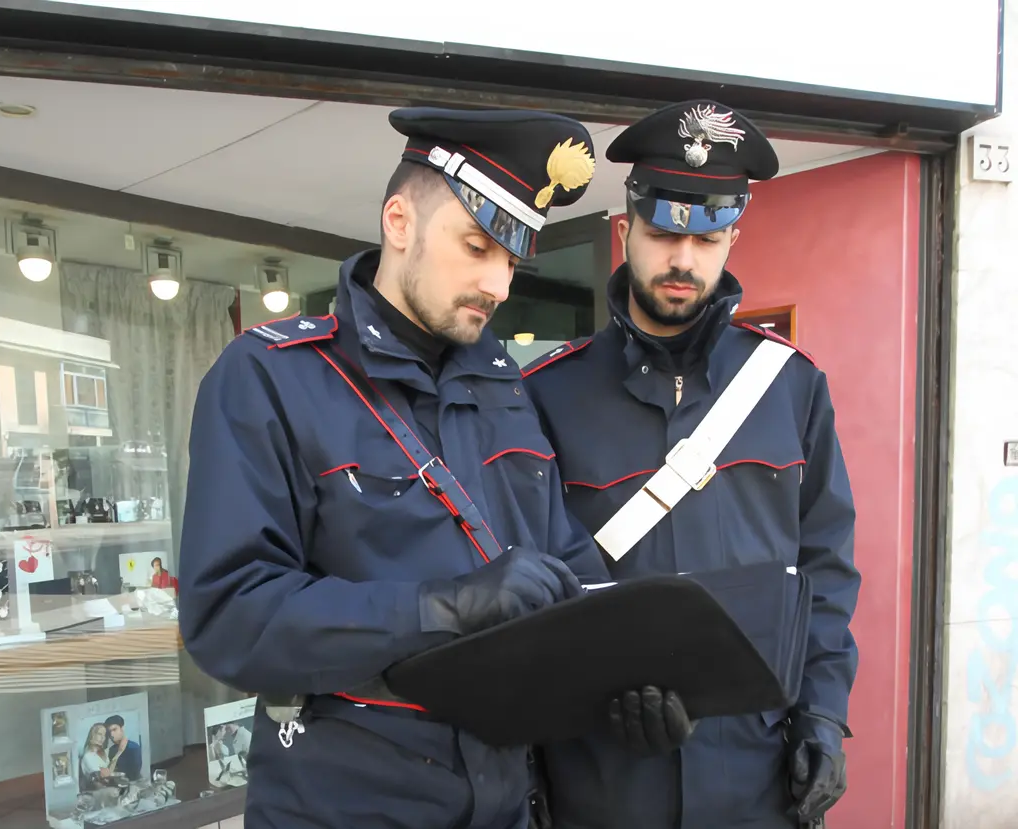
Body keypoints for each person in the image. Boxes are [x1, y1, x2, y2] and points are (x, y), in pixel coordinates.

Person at [178, 106, 611, 829]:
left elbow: (561, 561)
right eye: (477, 246)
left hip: (508, 800)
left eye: (511, 260)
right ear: (399, 221)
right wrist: (439, 607)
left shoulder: (505, 386)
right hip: (345, 803)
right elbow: (230, 615)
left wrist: (626, 667)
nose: (499, 285)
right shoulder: (271, 377)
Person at [522, 100, 861, 828]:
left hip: (758, 779)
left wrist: (824, 716)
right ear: (624, 231)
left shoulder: (791, 387)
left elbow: (826, 572)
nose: (683, 259)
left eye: (707, 237)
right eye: (662, 232)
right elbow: (527, 592)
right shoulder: (545, 394)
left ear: (733, 235)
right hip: (602, 781)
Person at [104, 714, 142, 781]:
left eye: (114, 729)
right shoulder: (111, 750)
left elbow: (134, 775)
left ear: (121, 729)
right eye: (109, 732)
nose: (111, 734)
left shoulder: (133, 748)